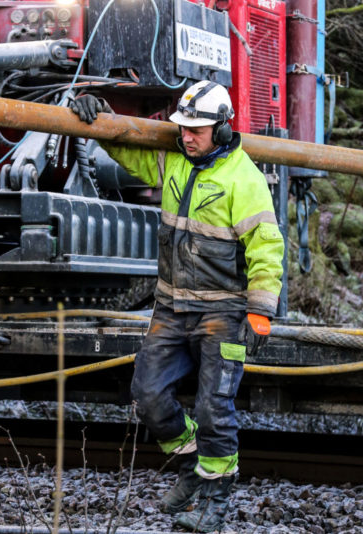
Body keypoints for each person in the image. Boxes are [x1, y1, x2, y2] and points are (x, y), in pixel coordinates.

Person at [71, 80, 284, 532]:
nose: (187, 137)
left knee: (214, 409)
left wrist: (260, 310)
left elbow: (266, 245)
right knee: (147, 396)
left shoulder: (243, 178)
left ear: (222, 130)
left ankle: (215, 498)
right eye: (183, 128)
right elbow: (125, 148)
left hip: (222, 314)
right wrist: (99, 114)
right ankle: (192, 468)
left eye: (197, 130)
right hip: (171, 309)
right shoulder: (171, 158)